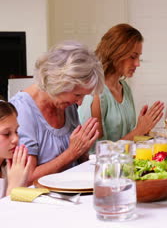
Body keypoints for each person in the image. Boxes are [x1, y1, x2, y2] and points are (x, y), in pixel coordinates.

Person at [9, 41, 105, 184]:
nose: (80, 103)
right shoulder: (22, 110)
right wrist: (71, 153)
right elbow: (26, 179)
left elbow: (77, 161)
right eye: (78, 95)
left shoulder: (66, 104)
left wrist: (84, 149)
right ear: (59, 82)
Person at [78, 24, 164, 142]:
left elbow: (128, 140)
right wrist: (139, 131)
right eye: (133, 57)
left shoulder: (125, 89)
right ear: (116, 53)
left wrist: (142, 130)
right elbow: (94, 152)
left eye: (139, 57)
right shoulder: (94, 93)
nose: (137, 63)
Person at [0, 99, 32, 198]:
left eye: (16, 131)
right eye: (6, 134)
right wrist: (13, 189)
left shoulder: (10, 167)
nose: (15, 139)